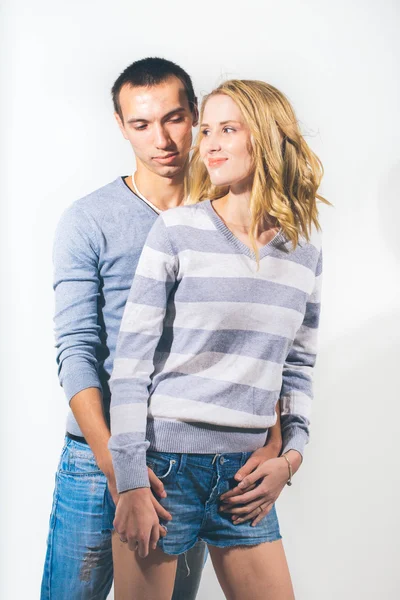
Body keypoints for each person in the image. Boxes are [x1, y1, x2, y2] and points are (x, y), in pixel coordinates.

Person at [109, 78, 328, 600]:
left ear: (268, 136)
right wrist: (131, 478)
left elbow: (297, 368)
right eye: (205, 129)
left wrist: (290, 459)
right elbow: (131, 365)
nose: (207, 144)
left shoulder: (304, 253)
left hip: (245, 480)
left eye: (227, 129)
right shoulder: (176, 231)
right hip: (163, 470)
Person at [42, 57, 217, 600]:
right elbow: (77, 350)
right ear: (121, 126)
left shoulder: (226, 214)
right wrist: (114, 462)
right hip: (97, 459)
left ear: (195, 115)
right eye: (141, 124)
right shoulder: (88, 218)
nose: (161, 139)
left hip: (186, 457)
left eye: (174, 118)